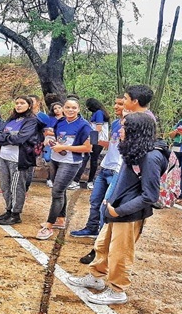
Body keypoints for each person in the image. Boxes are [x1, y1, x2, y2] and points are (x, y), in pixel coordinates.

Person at [68, 113, 168, 305]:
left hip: (128, 214)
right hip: (117, 208)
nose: (119, 131)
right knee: (102, 245)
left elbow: (150, 195)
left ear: (136, 131)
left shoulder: (150, 157)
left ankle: (117, 290)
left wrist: (119, 211)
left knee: (120, 254)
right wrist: (110, 204)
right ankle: (96, 277)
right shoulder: (136, 150)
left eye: (124, 128)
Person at [70, 95, 125, 239]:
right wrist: (94, 141)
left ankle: (103, 234)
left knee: (107, 203)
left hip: (118, 169)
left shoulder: (133, 124)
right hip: (106, 165)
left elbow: (99, 128)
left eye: (120, 104)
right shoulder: (115, 123)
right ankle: (92, 227)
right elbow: (112, 143)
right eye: (115, 103)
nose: (115, 106)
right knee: (95, 200)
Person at [37, 97, 92, 240]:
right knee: (60, 190)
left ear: (79, 109)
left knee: (57, 191)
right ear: (63, 108)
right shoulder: (60, 122)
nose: (70, 110)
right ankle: (60, 219)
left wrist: (65, 147)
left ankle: (48, 225)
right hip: (56, 159)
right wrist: (51, 142)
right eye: (67, 107)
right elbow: (56, 137)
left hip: (71, 162)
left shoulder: (85, 125)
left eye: (74, 108)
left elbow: (89, 147)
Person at [0, 95, 39, 225]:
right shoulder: (11, 119)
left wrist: (6, 138)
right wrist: (9, 137)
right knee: (5, 185)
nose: (19, 105)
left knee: (16, 187)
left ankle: (16, 213)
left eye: (22, 103)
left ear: (29, 105)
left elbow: (21, 138)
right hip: (4, 156)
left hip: (19, 159)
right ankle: (8, 210)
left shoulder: (31, 121)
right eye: (17, 103)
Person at [70, 98, 110, 190]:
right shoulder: (98, 112)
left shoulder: (99, 113)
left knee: (93, 160)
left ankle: (90, 181)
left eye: (88, 106)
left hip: (97, 139)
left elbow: (98, 128)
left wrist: (91, 140)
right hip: (96, 139)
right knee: (87, 158)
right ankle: (78, 180)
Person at [26, 95, 51, 191]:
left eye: (32, 101)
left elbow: (46, 131)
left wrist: (42, 144)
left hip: (36, 144)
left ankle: (25, 188)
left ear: (38, 103)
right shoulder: (23, 115)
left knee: (30, 165)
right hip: (23, 144)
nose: (30, 103)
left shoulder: (43, 117)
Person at [45, 102, 64, 188]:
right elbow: (47, 132)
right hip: (50, 141)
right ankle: (49, 178)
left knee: (59, 161)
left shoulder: (66, 119)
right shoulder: (50, 119)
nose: (57, 110)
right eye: (55, 108)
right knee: (48, 158)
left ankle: (54, 179)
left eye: (59, 108)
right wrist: (56, 133)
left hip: (61, 143)